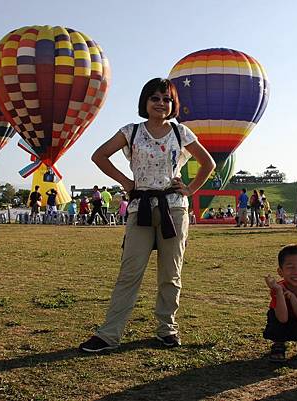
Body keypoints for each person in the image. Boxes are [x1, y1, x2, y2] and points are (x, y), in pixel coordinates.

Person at [79, 77, 215, 352]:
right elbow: (99, 155)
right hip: (139, 207)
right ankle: (109, 334)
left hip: (173, 208)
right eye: (155, 98)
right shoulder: (131, 131)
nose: (161, 103)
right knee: (130, 273)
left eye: (167, 99)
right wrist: (126, 183)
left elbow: (208, 163)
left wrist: (188, 189)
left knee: (170, 272)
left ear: (173, 104)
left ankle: (167, 329)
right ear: (145, 102)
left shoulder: (181, 133)